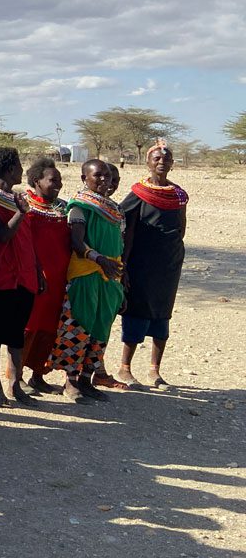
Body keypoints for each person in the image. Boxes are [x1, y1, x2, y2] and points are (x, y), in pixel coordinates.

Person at [50, 159, 124, 403]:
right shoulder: (80, 207)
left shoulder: (113, 208)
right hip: (86, 273)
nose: (104, 180)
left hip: (110, 275)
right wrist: (99, 258)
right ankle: (71, 382)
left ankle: (88, 378)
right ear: (85, 179)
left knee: (101, 327)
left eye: (107, 176)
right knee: (78, 326)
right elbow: (77, 242)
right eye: (97, 176)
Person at [116, 139, 187, 389]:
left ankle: (155, 371)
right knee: (136, 310)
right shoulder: (138, 192)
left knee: (162, 313)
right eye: (156, 158)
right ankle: (125, 368)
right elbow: (124, 225)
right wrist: (123, 264)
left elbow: (181, 227)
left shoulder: (178, 194)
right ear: (148, 162)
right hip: (141, 264)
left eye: (166, 159)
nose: (161, 162)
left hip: (168, 265)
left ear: (172, 164)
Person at [0, 147, 42, 407]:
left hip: (24, 276)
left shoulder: (16, 198)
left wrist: (37, 270)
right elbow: (0, 235)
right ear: (10, 169)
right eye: (18, 166)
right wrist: (20, 212)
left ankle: (15, 384)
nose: (22, 171)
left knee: (16, 335)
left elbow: (27, 241)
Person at [22, 157, 70, 395]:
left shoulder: (62, 207)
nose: (58, 184)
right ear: (36, 181)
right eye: (53, 180)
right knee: (30, 325)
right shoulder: (25, 206)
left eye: (59, 180)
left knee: (51, 326)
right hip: (37, 276)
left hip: (60, 277)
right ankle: (16, 374)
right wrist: (35, 270)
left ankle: (38, 375)